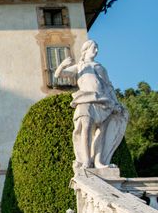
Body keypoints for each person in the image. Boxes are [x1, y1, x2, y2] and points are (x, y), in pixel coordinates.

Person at [54, 40, 128, 169]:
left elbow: (109, 87)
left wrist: (116, 103)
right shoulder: (80, 66)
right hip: (84, 99)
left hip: (103, 100)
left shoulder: (100, 67)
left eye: (97, 48)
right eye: (94, 47)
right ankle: (86, 160)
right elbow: (58, 74)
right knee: (86, 128)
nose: (96, 50)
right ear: (86, 50)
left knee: (101, 131)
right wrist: (62, 65)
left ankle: (99, 161)